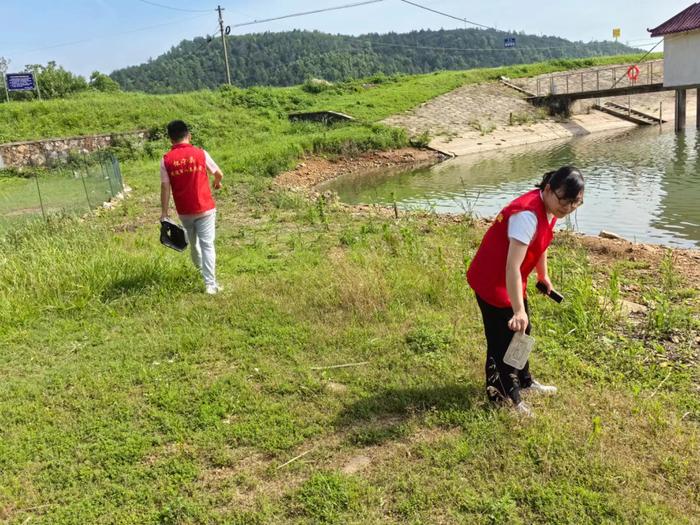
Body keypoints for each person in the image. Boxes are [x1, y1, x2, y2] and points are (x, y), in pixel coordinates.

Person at [466, 166, 585, 417]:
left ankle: (525, 381)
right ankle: (505, 398)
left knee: (524, 331)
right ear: (549, 189)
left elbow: (541, 243)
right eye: (565, 200)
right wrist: (518, 310)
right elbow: (511, 266)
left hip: (512, 280)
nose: (568, 208)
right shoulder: (526, 216)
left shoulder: (551, 210)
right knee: (502, 342)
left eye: (576, 203)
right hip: (492, 281)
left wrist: (543, 276)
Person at [160, 120, 224, 295]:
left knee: (194, 244)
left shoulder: (166, 160)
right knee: (207, 244)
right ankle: (210, 284)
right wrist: (217, 183)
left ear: (170, 139)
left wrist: (164, 213)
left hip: (184, 210)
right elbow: (218, 173)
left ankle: (200, 272)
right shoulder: (201, 154)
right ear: (189, 135)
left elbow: (165, 187)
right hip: (205, 207)